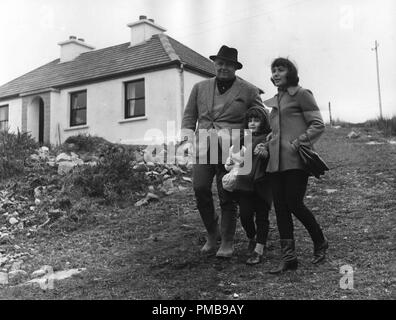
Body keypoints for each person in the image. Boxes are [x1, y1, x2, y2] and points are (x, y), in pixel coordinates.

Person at [181, 45, 265, 258]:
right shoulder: (200, 87)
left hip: (234, 148)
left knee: (228, 193)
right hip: (203, 146)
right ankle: (212, 233)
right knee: (200, 189)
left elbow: (261, 117)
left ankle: (227, 241)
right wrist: (186, 140)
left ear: (235, 67)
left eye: (228, 64)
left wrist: (253, 143)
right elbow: (189, 116)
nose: (223, 67)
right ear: (214, 64)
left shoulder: (248, 90)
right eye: (220, 63)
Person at [264, 58, 329, 274]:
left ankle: (320, 241)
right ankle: (289, 258)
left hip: (295, 161)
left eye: (280, 69)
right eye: (273, 70)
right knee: (281, 208)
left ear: (290, 72)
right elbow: (276, 130)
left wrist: (298, 141)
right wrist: (269, 141)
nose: (275, 73)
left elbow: (318, 124)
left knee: (294, 203)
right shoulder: (274, 101)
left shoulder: (302, 94)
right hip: (275, 163)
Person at [224, 106, 273, 265]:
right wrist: (231, 162)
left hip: (262, 184)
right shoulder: (242, 140)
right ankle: (252, 238)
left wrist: (266, 155)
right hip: (244, 184)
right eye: (250, 120)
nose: (252, 123)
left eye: (256, 120)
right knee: (245, 216)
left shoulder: (269, 138)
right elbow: (231, 161)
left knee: (262, 216)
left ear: (263, 121)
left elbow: (273, 159)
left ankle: (259, 249)